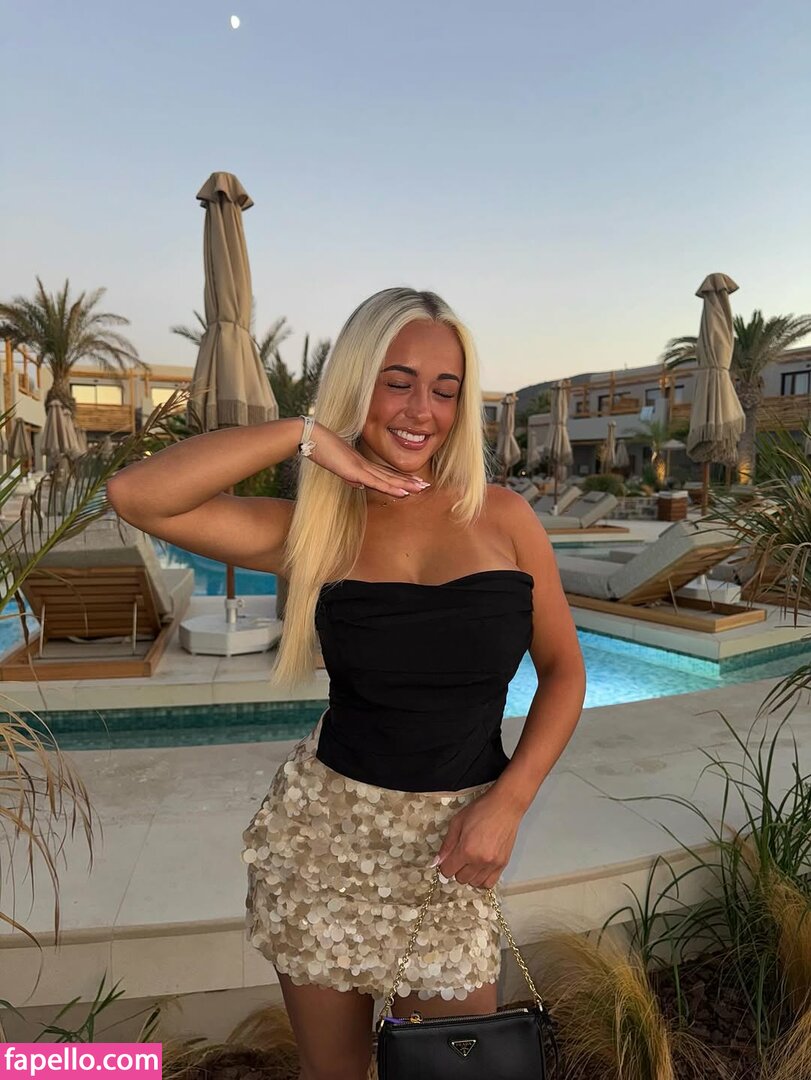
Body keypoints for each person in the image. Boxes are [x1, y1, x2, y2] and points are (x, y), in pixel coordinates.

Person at [106, 287, 586, 1080]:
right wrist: (303, 436)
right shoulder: (317, 529)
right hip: (324, 846)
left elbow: (563, 670)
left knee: (452, 1070)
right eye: (396, 382)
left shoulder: (503, 516)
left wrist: (509, 801)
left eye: (444, 390)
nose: (421, 410)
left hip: (454, 849)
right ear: (355, 385)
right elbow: (137, 496)